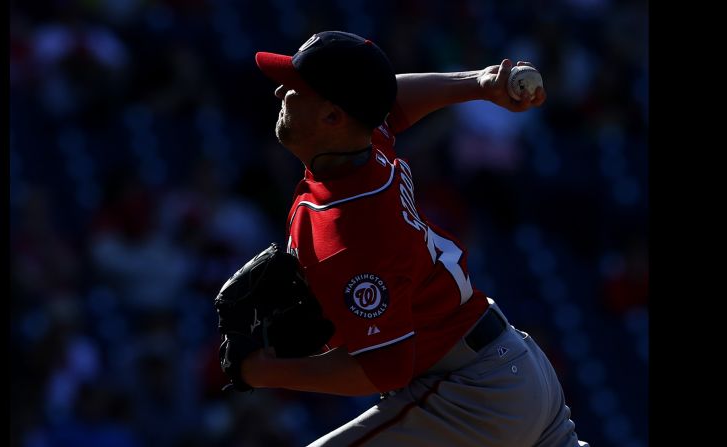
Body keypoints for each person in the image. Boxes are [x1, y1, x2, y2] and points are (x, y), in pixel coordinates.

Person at [242, 30, 588, 447]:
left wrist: (263, 370)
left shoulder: (351, 228)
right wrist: (479, 82)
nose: (281, 90)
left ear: (333, 117)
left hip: (472, 394)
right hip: (508, 370)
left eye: (295, 88)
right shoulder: (364, 144)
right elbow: (393, 101)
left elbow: (385, 368)